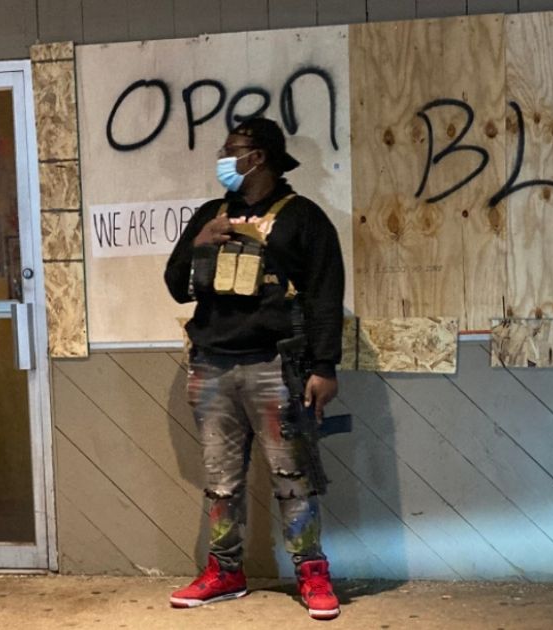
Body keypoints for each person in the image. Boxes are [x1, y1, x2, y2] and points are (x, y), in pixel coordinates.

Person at [163, 117, 345, 621]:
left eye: (231, 150)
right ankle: (225, 572)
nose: (223, 159)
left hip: (276, 366)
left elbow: (326, 296)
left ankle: (311, 571)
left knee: (293, 477)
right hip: (212, 367)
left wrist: (324, 366)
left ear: (257, 156)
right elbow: (176, 284)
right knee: (221, 480)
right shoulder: (210, 214)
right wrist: (201, 239)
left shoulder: (303, 218)